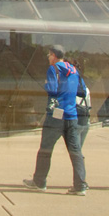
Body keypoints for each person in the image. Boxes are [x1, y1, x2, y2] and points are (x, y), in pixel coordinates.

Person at [24, 46, 88, 195]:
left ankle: (39, 182)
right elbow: (81, 91)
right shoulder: (73, 69)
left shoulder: (53, 69)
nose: (48, 57)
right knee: (75, 151)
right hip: (71, 115)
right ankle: (80, 185)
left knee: (45, 149)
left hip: (56, 115)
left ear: (53, 55)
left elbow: (52, 90)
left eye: (49, 54)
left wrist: (48, 85)